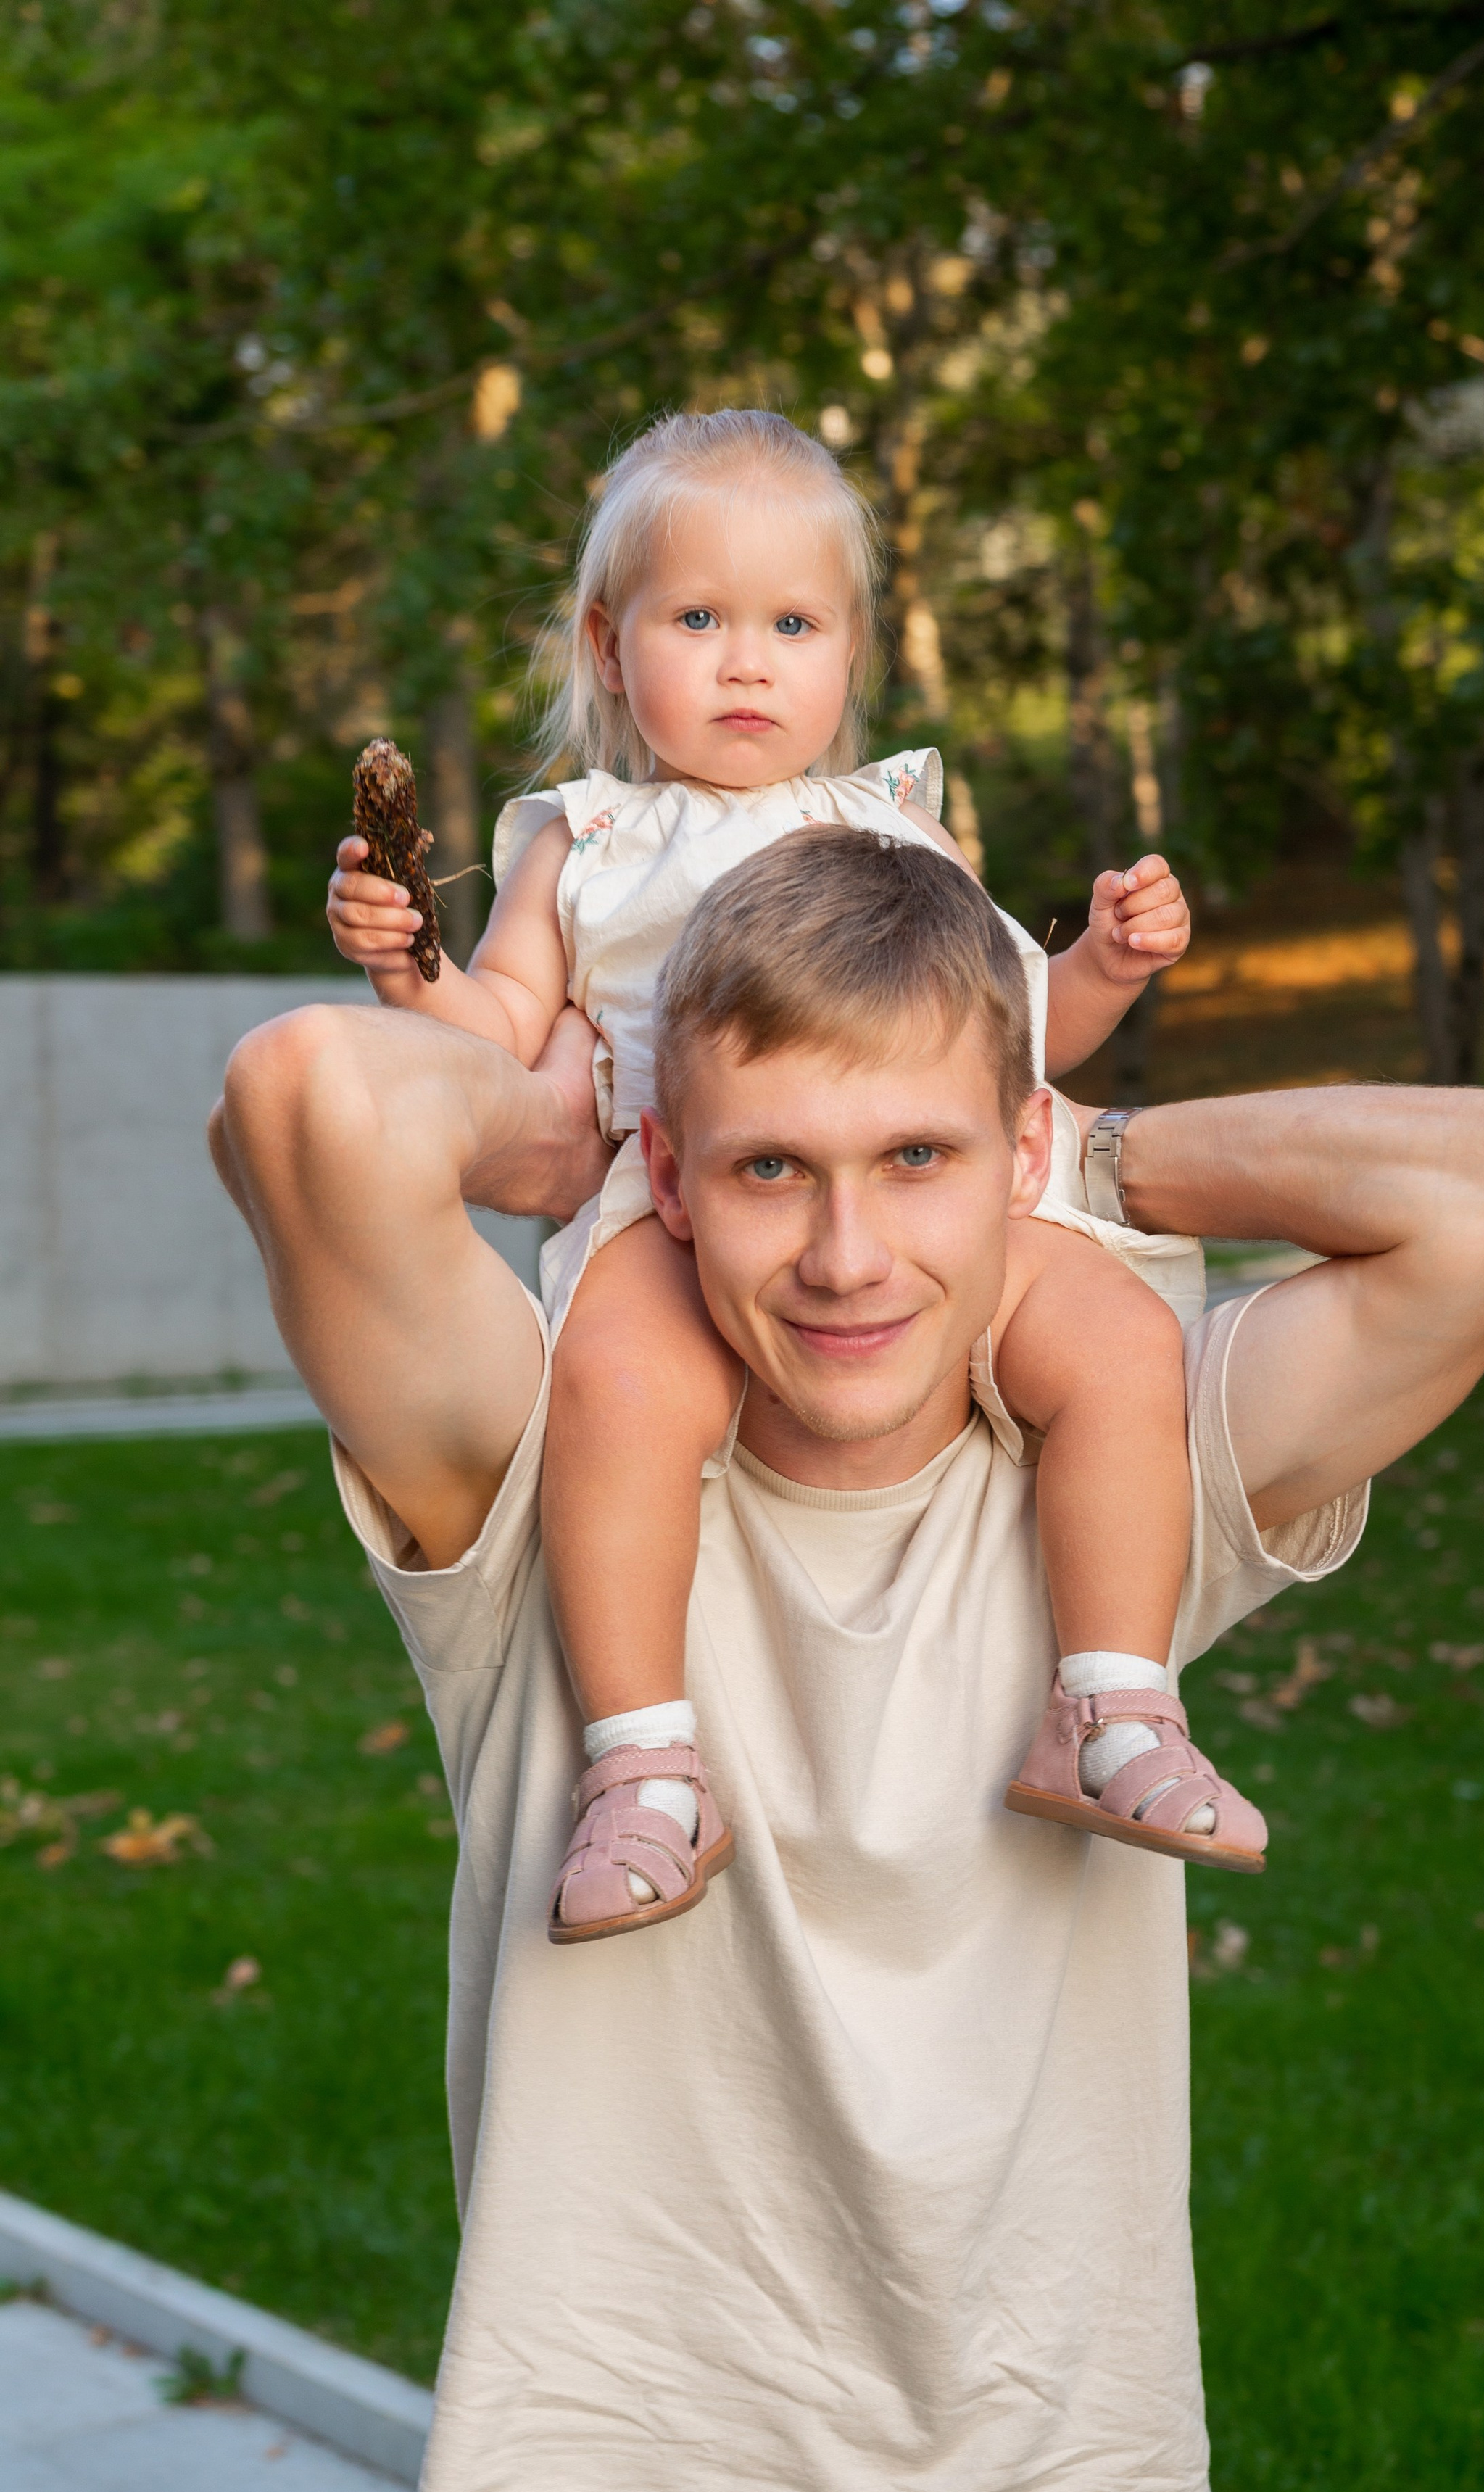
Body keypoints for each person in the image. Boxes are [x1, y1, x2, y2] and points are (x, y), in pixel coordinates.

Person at [211, 822, 1484, 2492]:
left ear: (1017, 1162)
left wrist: (1093, 1149)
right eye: (773, 1167)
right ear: (679, 1181)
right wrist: (563, 1136)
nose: (851, 1257)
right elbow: (308, 1095)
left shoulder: (1127, 1496)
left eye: (918, 1163)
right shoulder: (544, 1489)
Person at [326, 406, 1267, 1950]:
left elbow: (1012, 1030)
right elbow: (500, 1033)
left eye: (791, 623)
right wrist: (406, 966)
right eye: (698, 619)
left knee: (1117, 1343)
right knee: (618, 1390)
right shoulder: (587, 840)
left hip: (911, 1201)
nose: (747, 661)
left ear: (846, 649)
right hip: (676, 1200)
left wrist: (1101, 963)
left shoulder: (894, 822)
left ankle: (1111, 1706)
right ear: (610, 647)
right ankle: (641, 1768)